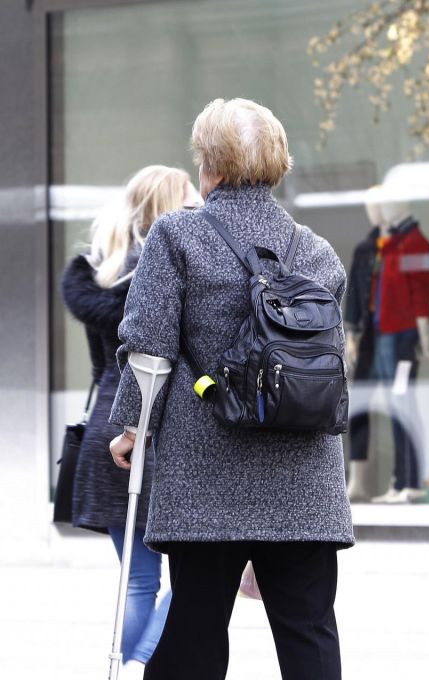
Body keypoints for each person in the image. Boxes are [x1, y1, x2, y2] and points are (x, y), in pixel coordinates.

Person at [109, 98, 354, 680]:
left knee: (195, 629)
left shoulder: (178, 237)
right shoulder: (317, 252)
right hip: (305, 482)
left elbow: (149, 351)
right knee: (309, 632)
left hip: (206, 477)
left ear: (209, 167)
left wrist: (130, 429)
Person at [61, 165, 202, 676]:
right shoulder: (168, 273)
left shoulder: (104, 272)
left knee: (138, 580)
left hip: (105, 428)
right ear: (172, 207)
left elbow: (103, 369)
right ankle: (145, 662)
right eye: (189, 203)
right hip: (155, 430)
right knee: (198, 578)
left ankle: (122, 669)